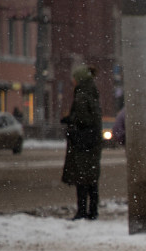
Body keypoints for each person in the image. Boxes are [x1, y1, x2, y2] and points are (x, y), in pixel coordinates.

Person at [61, 64, 102, 220]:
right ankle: (93, 210)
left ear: (79, 79)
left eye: (74, 78)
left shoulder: (82, 95)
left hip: (82, 143)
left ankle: (82, 211)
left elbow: (84, 119)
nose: (72, 81)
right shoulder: (92, 93)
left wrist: (71, 120)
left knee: (82, 178)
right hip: (92, 142)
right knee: (91, 178)